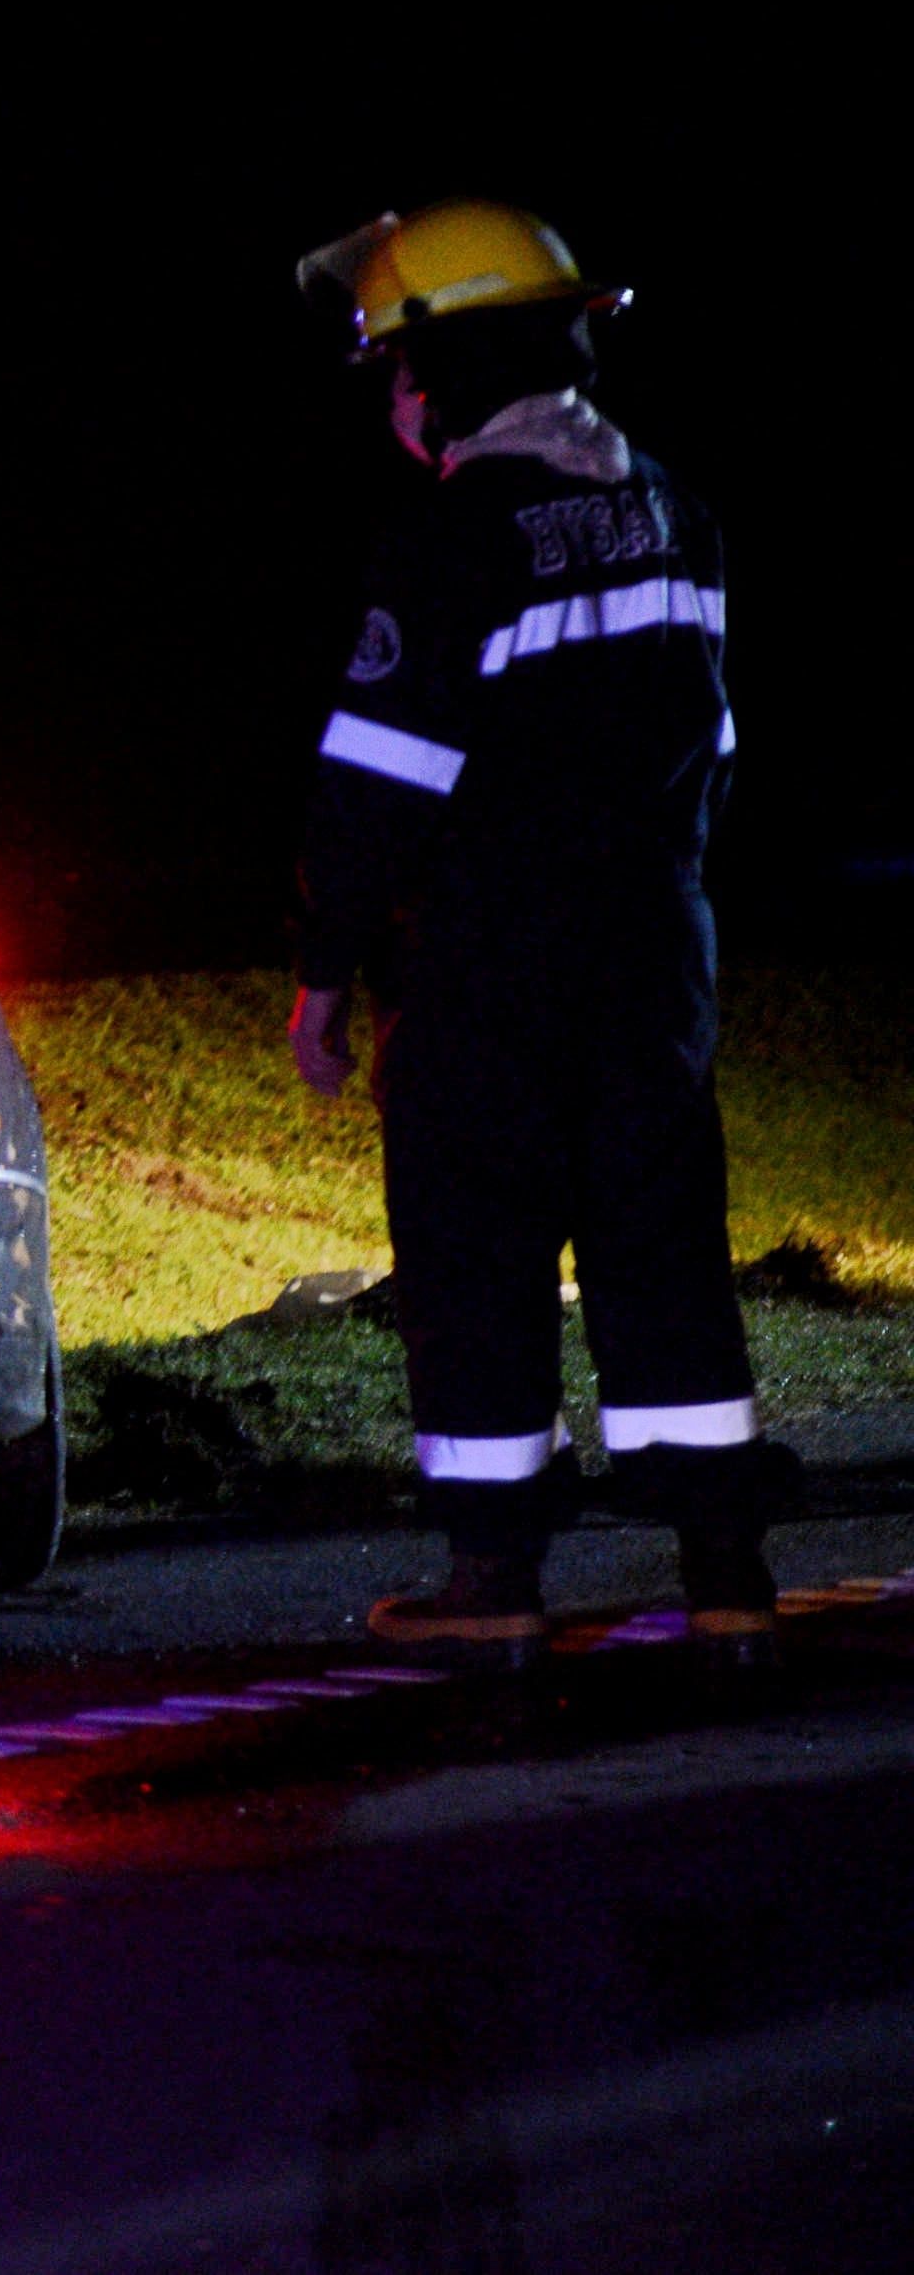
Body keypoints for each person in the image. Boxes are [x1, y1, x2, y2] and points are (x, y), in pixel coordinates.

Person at [285, 202, 783, 1668]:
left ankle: (495, 1584)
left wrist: (324, 974)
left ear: (455, 367)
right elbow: (720, 753)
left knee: (478, 1255)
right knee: (664, 1248)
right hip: (653, 967)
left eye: (396, 364)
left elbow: (374, 787)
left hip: (488, 974)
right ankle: (731, 1574)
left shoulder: (445, 541)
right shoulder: (678, 508)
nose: (389, 396)